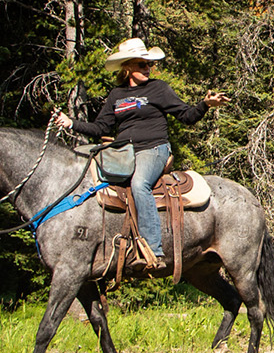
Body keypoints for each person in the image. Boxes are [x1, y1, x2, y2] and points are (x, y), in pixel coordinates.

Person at [53, 37, 229, 270]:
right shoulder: (116, 95)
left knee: (139, 184)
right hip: (123, 153)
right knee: (95, 185)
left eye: (149, 65)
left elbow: (186, 116)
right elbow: (101, 128)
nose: (147, 69)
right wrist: (70, 123)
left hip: (154, 149)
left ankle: (152, 250)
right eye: (142, 65)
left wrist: (205, 105)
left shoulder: (158, 88)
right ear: (128, 68)